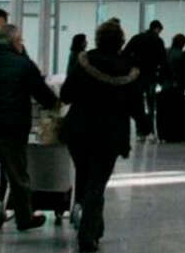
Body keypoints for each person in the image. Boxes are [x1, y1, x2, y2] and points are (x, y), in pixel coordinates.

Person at [61, 20, 143, 253]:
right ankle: (88, 235)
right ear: (121, 41)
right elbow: (136, 105)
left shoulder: (83, 62)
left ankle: (94, 227)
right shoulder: (128, 68)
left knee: (86, 178)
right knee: (97, 183)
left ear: (97, 39)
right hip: (110, 134)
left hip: (79, 131)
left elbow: (66, 94)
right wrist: (144, 124)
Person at [0, 24, 57, 242]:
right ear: (15, 43)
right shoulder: (24, 65)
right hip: (11, 129)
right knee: (18, 176)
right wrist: (56, 104)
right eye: (21, 41)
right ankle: (24, 218)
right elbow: (44, 95)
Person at [123, 20, 167, 141]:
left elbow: (125, 54)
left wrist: (132, 67)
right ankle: (151, 132)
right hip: (151, 76)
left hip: (137, 76)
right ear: (157, 29)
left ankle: (140, 132)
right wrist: (161, 77)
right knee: (151, 105)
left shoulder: (137, 38)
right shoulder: (158, 41)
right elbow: (163, 60)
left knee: (138, 105)